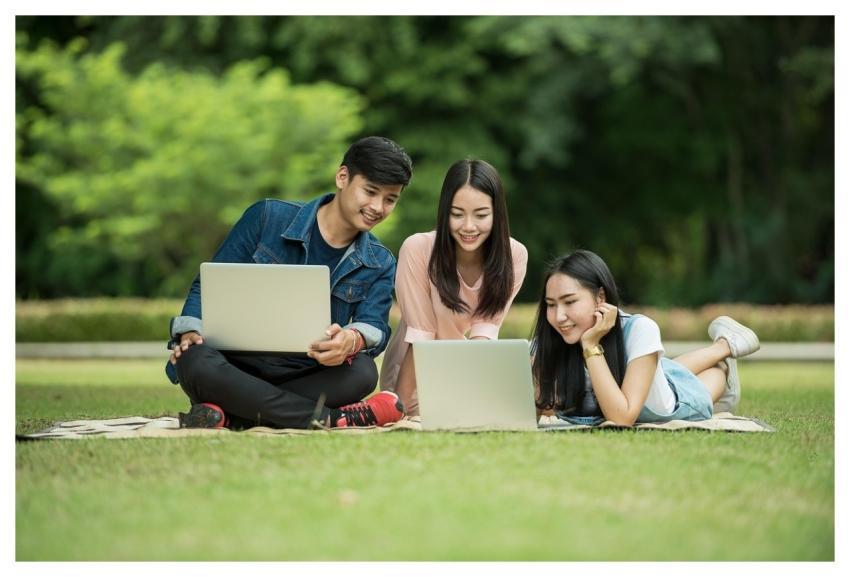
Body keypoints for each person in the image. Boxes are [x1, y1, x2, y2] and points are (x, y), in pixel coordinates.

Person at [166, 136, 413, 430]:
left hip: (307, 371)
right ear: (342, 177)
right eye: (370, 192)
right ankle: (330, 419)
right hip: (233, 364)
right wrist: (191, 331)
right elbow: (207, 285)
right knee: (193, 359)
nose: (378, 206)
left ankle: (232, 413)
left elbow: (373, 325)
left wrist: (352, 340)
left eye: (390, 199)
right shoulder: (267, 216)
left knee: (362, 372)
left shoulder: (380, 261)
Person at [531, 249, 760, 426]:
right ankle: (724, 345)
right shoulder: (551, 339)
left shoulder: (640, 329)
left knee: (709, 376)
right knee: (664, 369)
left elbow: (622, 418)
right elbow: (536, 408)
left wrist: (591, 345)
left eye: (570, 302)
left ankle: (724, 352)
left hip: (673, 401)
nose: (559, 316)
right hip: (652, 374)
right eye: (551, 305)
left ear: (600, 297)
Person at [379, 159, 528, 416]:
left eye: (481, 215)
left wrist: (476, 392)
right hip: (411, 370)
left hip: (464, 366)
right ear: (444, 212)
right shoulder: (418, 249)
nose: (468, 226)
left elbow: (484, 333)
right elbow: (420, 336)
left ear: (497, 213)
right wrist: (400, 409)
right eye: (457, 214)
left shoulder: (514, 255)